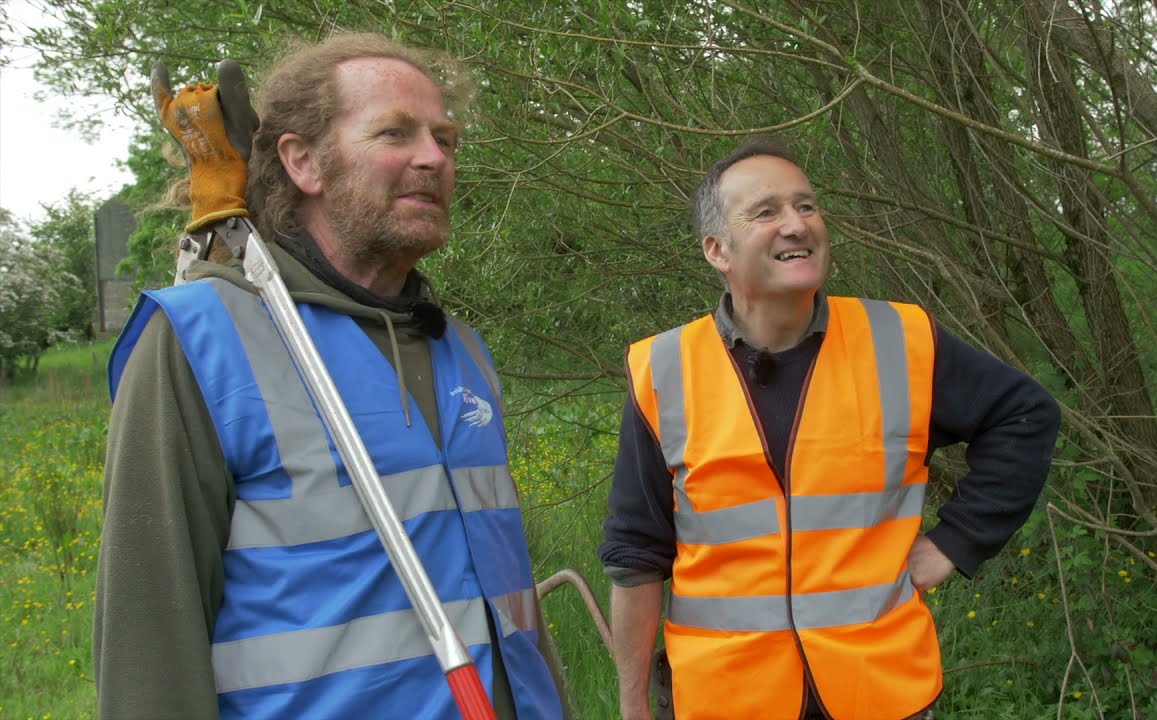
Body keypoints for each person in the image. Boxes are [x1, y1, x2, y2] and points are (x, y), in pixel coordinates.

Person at [95, 33, 566, 720]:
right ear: (303, 162)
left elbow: (509, 603)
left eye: (446, 139)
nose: (433, 157)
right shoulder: (201, 340)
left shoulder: (460, 349)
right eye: (395, 134)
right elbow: (149, 640)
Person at [598, 138, 1061, 720]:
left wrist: (955, 542)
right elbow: (636, 554)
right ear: (717, 249)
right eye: (767, 212)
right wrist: (633, 705)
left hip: (880, 693)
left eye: (807, 206)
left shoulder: (901, 339)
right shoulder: (664, 369)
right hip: (727, 701)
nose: (797, 224)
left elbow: (1025, 415)